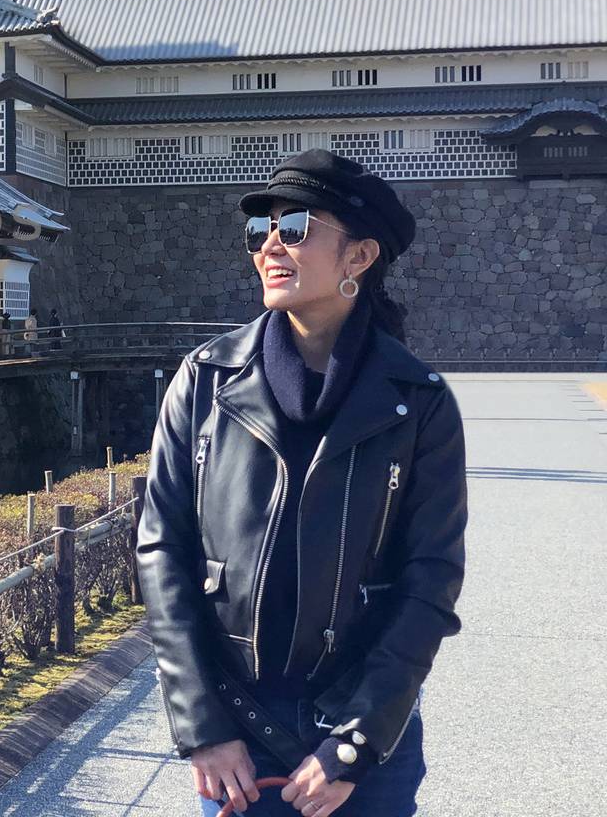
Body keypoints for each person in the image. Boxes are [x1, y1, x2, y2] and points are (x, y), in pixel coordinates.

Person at [136, 150, 467, 817]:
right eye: (261, 229)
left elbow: (430, 582)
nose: (270, 246)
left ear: (359, 257)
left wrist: (356, 743)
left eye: (296, 226)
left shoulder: (419, 402)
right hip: (237, 735)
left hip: (365, 732)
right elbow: (161, 552)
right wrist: (202, 727)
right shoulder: (205, 380)